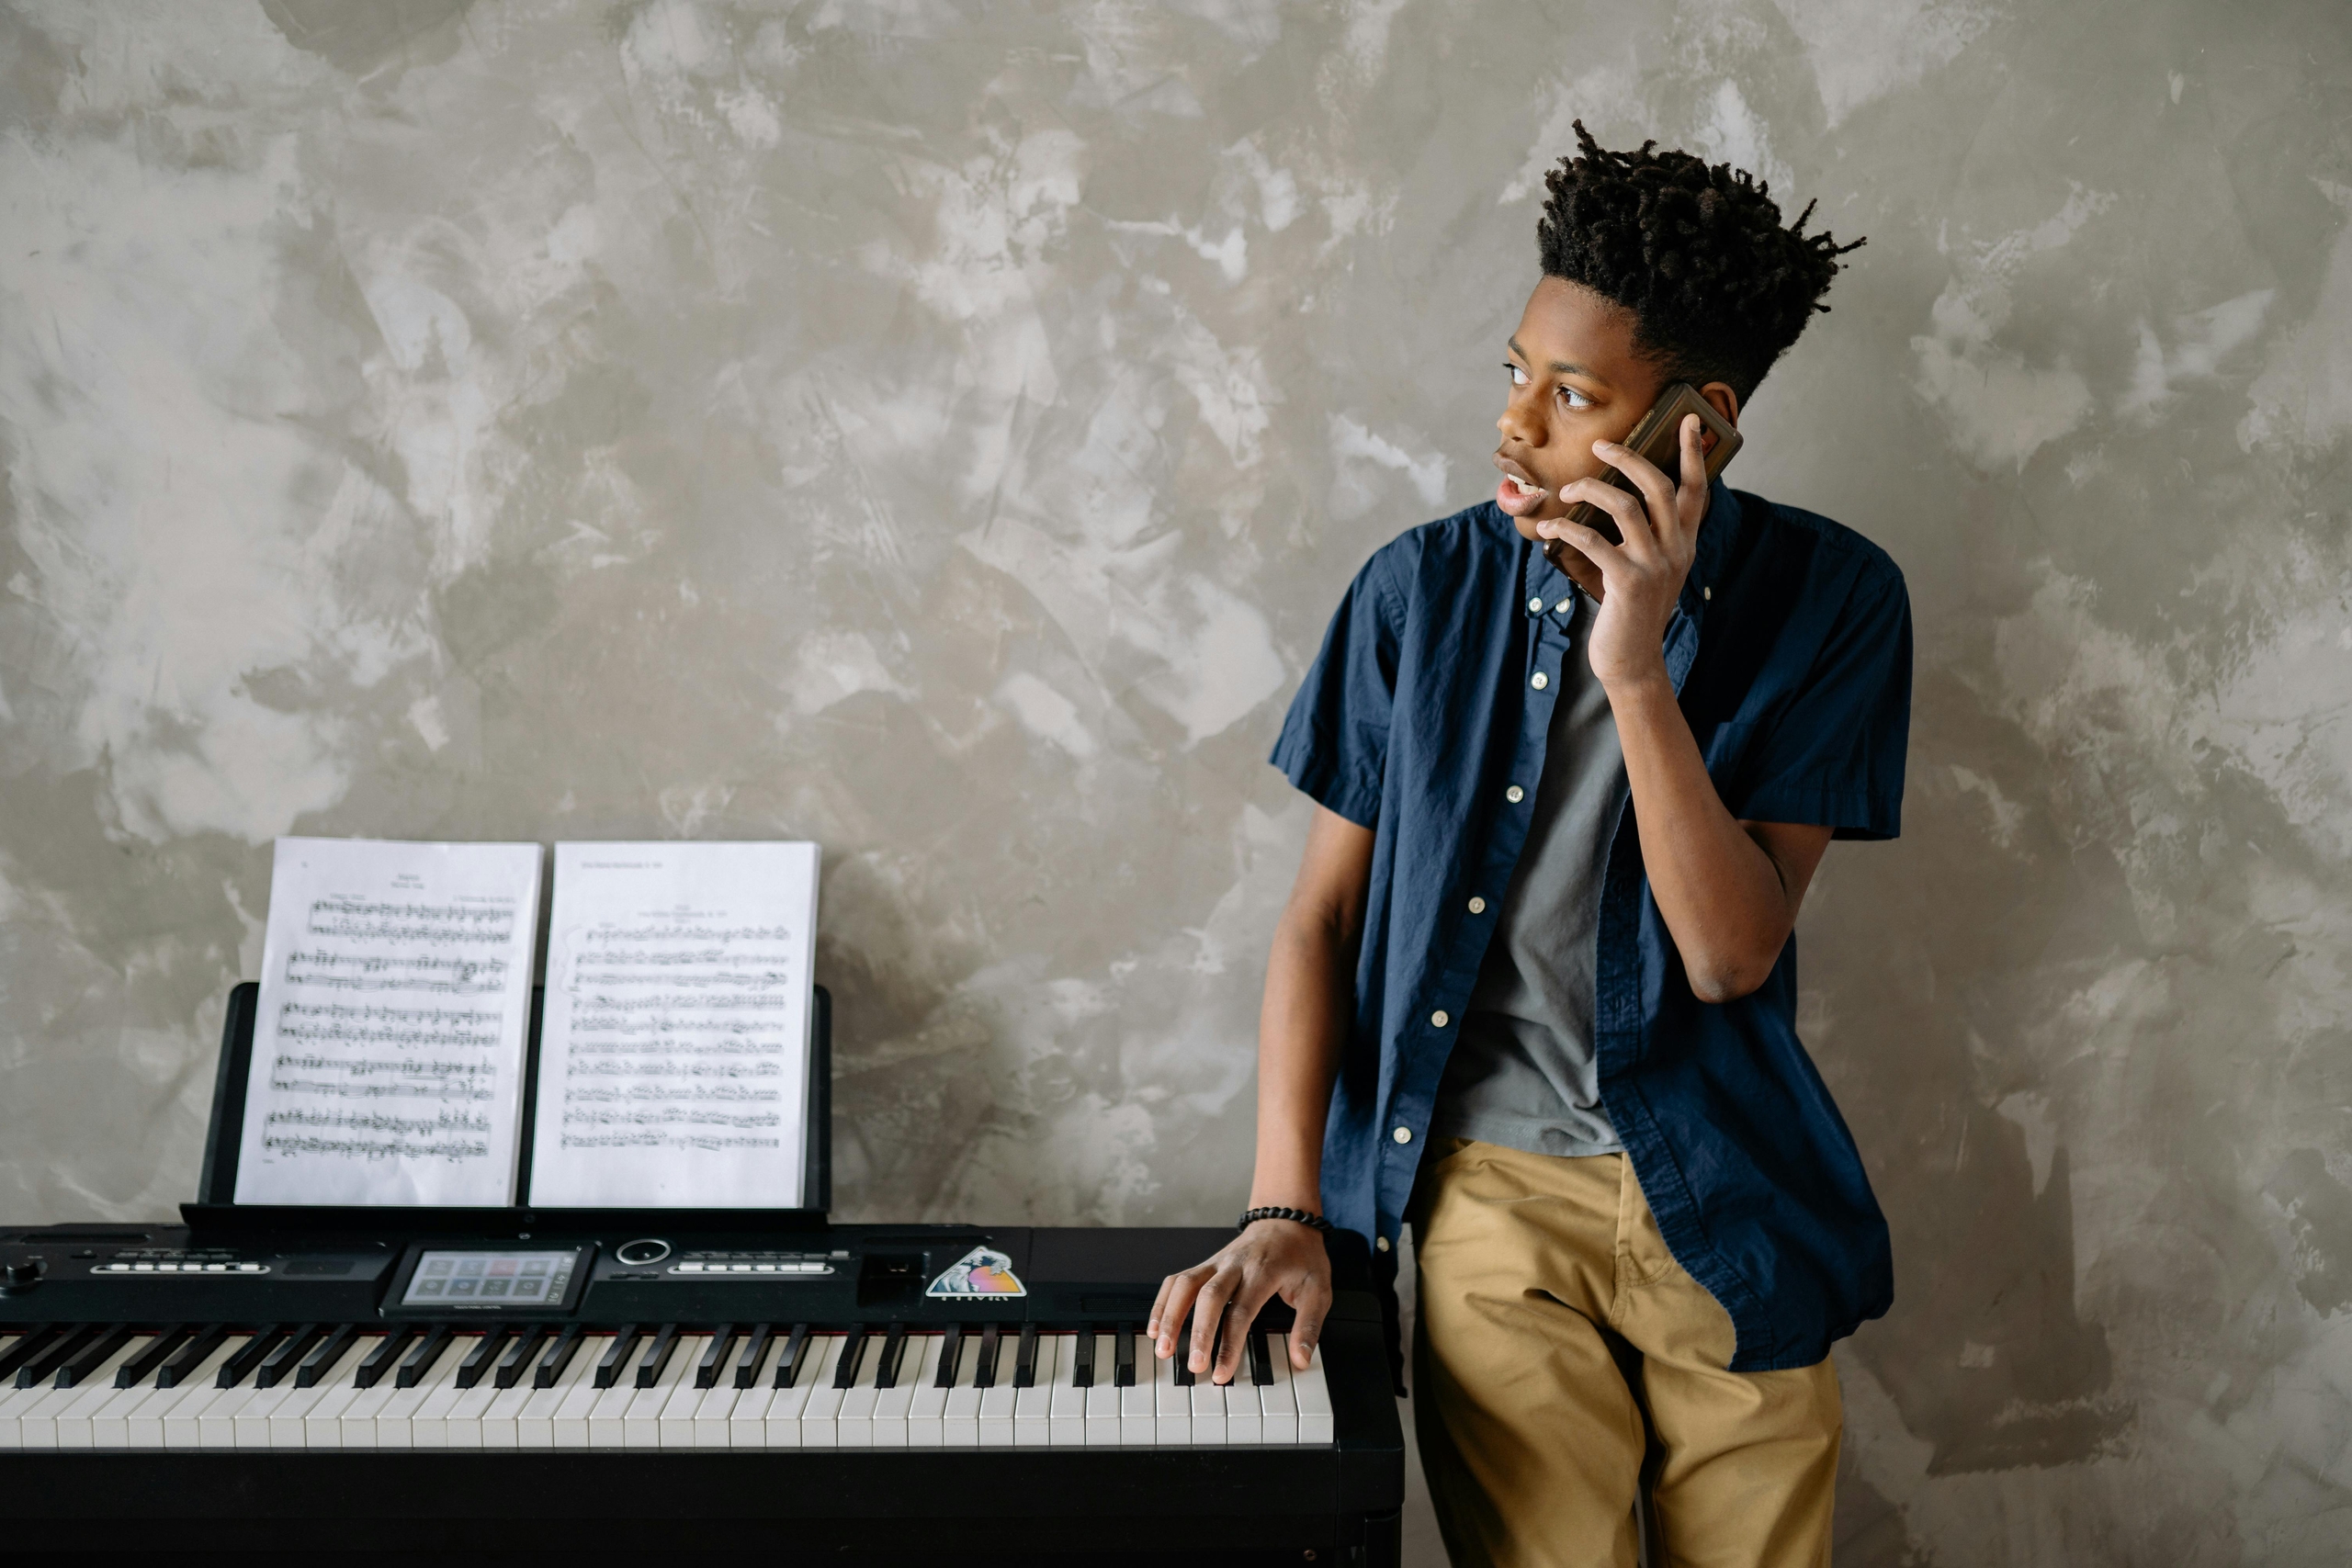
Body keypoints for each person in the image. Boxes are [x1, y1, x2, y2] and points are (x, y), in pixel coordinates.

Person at [1150, 123, 1909, 1568]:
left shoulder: (1836, 601)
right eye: (1517, 375)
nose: (1516, 428)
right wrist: (1282, 1203)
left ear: (1699, 418)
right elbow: (1319, 921)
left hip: (1731, 1197)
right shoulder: (1413, 597)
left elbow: (1733, 952)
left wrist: (1638, 669)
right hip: (1491, 1208)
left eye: (1572, 397)